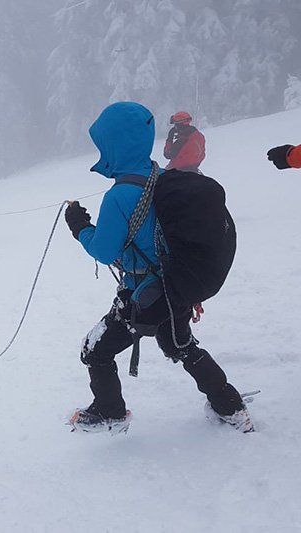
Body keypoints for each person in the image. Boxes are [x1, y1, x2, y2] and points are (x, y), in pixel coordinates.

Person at [63, 101, 252, 433]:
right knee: (181, 346)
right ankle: (230, 405)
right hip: (174, 286)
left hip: (144, 296)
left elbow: (105, 251)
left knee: (94, 351)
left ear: (114, 145)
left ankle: (111, 411)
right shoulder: (164, 176)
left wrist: (80, 227)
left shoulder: (119, 196)